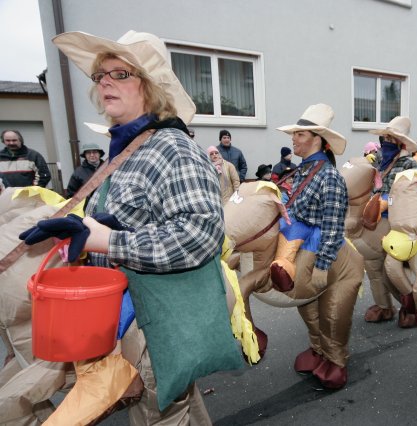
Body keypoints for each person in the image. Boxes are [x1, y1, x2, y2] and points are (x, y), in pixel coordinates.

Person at [48, 29, 228, 424]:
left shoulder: (173, 147)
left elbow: (201, 234)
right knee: (175, 409)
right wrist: (82, 228)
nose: (105, 82)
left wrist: (109, 240)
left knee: (157, 415)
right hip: (125, 313)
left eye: (120, 74)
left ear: (151, 86)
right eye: (100, 75)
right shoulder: (127, 151)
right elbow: (130, 217)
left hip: (153, 320)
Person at [270, 103, 362, 389]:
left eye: (300, 134)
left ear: (317, 140)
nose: (293, 139)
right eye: (294, 134)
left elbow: (333, 225)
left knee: (332, 315)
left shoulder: (329, 176)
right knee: (307, 307)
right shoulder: (302, 171)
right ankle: (318, 350)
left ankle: (336, 361)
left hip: (332, 259)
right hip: (308, 250)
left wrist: (322, 266)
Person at [361, 116, 417, 324]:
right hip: (376, 223)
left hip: (398, 225)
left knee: (392, 269)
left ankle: (412, 307)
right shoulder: (379, 163)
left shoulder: (410, 164)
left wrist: (387, 201)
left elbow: (415, 197)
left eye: (391, 138)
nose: (387, 141)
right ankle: (384, 306)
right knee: (371, 264)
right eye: (385, 137)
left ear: (401, 142)